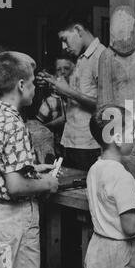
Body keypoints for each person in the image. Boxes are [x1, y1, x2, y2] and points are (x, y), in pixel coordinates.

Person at [0, 51, 59, 268]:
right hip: (15, 220)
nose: (35, 88)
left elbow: (1, 163)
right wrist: (47, 183)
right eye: (33, 83)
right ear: (22, 85)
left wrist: (31, 168)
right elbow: (15, 187)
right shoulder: (14, 124)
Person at [84, 104, 135, 268]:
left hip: (97, 247)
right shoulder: (122, 177)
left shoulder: (94, 169)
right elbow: (130, 227)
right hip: (121, 254)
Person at [38, 14, 106, 171]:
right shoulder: (80, 58)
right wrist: (53, 83)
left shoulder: (101, 56)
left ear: (78, 30)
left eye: (64, 39)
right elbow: (79, 96)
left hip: (89, 145)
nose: (63, 46)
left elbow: (106, 106)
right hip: (69, 141)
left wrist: (68, 91)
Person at [37, 54, 75, 156]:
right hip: (55, 149)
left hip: (75, 146)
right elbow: (39, 128)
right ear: (55, 73)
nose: (63, 72)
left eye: (66, 68)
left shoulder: (76, 98)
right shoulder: (50, 101)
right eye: (59, 69)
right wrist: (56, 123)